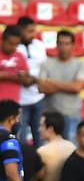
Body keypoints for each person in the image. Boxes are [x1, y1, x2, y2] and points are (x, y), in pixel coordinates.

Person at [0, 99, 35, 181]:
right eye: (18, 118)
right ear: (11, 119)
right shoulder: (8, 141)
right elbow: (12, 173)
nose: (19, 122)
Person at [14, 17, 46, 148]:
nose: (33, 34)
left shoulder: (39, 45)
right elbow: (19, 75)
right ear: (20, 30)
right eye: (29, 31)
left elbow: (44, 68)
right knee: (20, 137)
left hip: (38, 99)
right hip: (20, 101)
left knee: (40, 137)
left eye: (34, 31)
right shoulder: (13, 46)